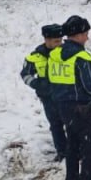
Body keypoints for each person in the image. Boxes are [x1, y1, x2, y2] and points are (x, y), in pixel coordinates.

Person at [48, 15, 91, 180]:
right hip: (82, 108)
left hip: (62, 107)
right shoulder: (82, 57)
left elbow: (51, 80)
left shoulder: (55, 54)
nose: (87, 37)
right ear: (78, 35)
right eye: (86, 33)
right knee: (89, 147)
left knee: (72, 144)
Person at [21, 23, 67, 162]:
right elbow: (25, 74)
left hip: (67, 96)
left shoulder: (67, 52)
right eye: (56, 41)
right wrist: (37, 84)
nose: (59, 44)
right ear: (46, 40)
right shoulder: (35, 57)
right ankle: (62, 152)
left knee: (72, 124)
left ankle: (76, 150)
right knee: (56, 125)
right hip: (48, 98)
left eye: (60, 40)